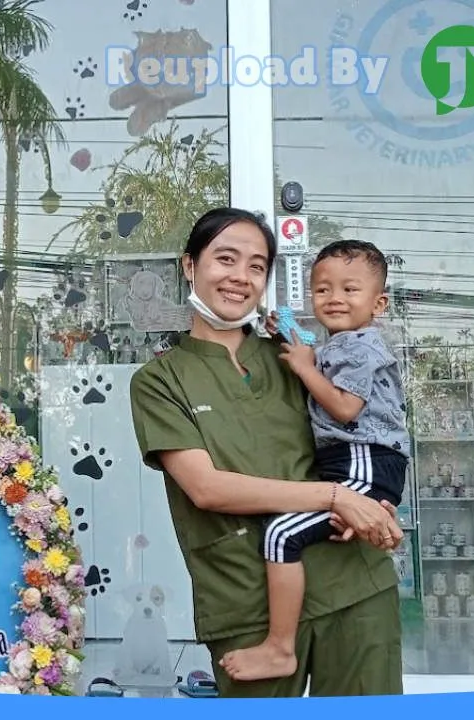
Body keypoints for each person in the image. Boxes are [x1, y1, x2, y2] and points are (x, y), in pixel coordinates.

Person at [129, 208, 405, 698]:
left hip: (353, 583)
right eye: (225, 259)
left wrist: (376, 503)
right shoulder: (160, 381)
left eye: (257, 266)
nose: (240, 277)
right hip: (246, 600)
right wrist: (337, 498)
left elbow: (367, 434)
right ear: (189, 265)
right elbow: (207, 489)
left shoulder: (297, 361)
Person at [217, 239, 410, 682]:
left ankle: (279, 648)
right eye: (322, 290)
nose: (334, 299)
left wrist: (304, 368)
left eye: (349, 290)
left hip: (363, 458)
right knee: (310, 529)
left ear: (378, 302)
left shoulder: (361, 346)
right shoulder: (339, 345)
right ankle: (282, 645)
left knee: (282, 534)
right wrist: (282, 332)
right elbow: (307, 346)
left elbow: (345, 408)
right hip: (353, 465)